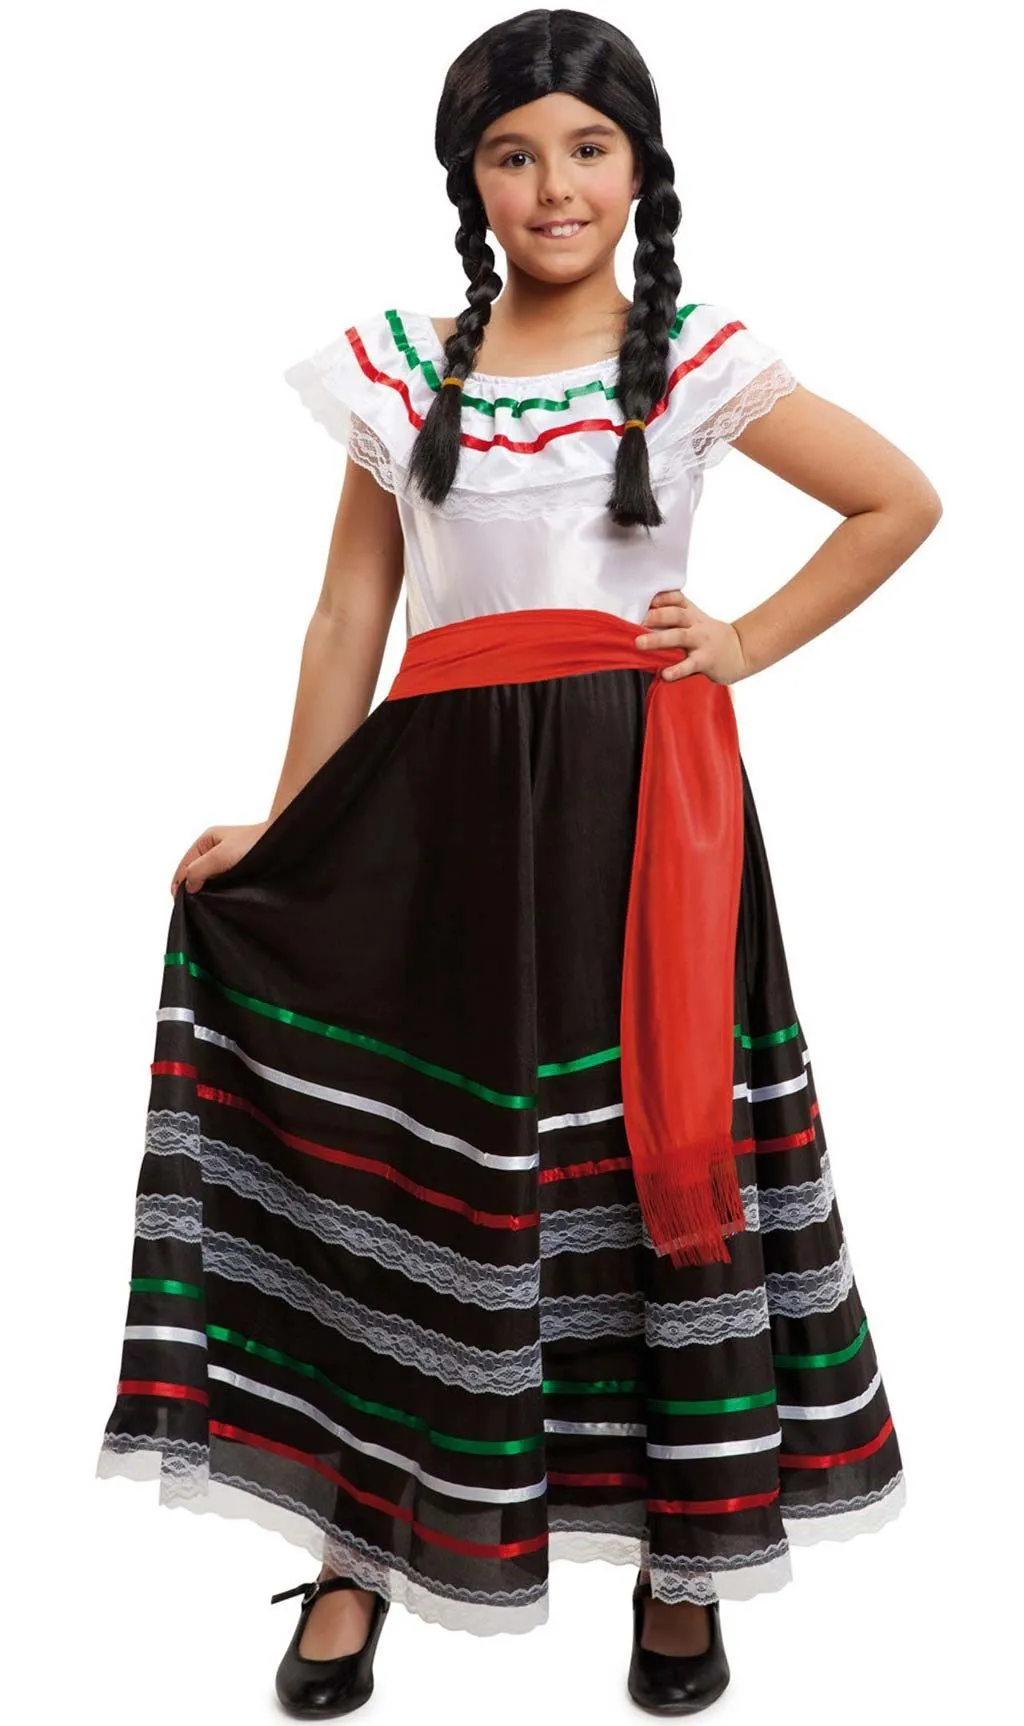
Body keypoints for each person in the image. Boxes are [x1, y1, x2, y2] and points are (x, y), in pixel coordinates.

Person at [94, 8, 939, 1718]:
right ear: (469, 180)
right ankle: (362, 1541)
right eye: (514, 153)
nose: (553, 186)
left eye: (587, 149)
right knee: (422, 1170)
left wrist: (744, 641)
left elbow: (898, 500)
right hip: (436, 826)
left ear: (639, 169)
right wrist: (291, 826)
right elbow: (350, 612)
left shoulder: (691, 359)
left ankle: (690, 1554)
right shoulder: (407, 362)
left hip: (640, 825)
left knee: (647, 1164)